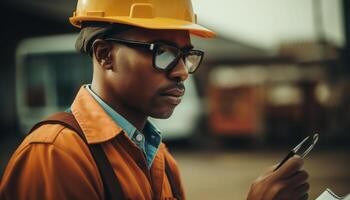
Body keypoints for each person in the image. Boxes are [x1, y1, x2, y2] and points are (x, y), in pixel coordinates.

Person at [0, 0, 309, 199]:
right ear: (105, 55)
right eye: (162, 52)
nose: (182, 73)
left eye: (186, 55)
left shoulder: (157, 155)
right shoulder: (57, 156)